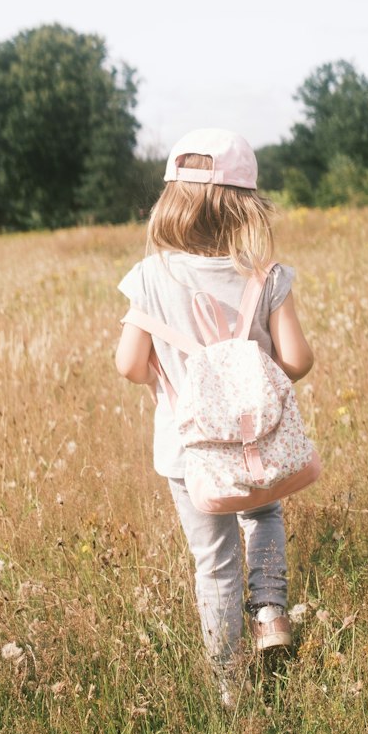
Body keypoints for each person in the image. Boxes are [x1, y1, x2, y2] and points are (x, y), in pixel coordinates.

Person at [115, 127, 315, 698]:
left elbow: (129, 364)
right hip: (258, 440)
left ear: (171, 202)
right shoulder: (266, 274)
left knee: (215, 563)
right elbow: (297, 360)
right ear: (246, 204)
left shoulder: (152, 278)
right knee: (265, 513)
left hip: (189, 452)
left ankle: (231, 689)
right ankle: (272, 611)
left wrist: (177, 377)